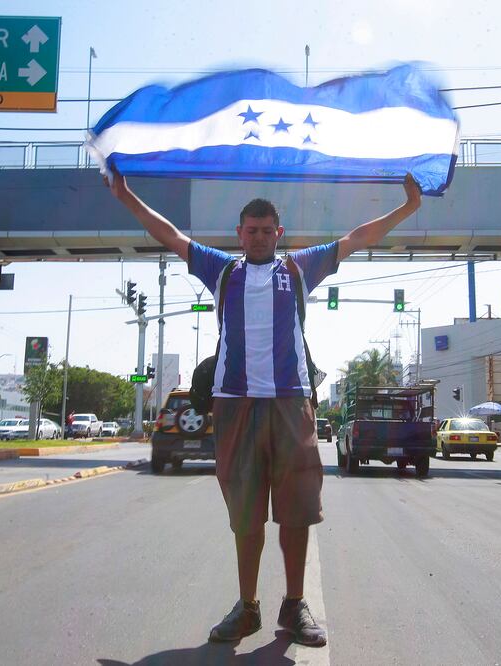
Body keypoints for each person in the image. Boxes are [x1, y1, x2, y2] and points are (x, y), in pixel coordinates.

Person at [106, 171, 422, 647]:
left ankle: (294, 606)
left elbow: (357, 238)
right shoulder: (222, 271)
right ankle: (247, 606)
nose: (257, 237)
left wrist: (407, 209)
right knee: (246, 513)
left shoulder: (298, 268)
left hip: (291, 403)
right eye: (249, 231)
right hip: (234, 406)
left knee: (296, 510)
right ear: (239, 235)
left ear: (279, 234)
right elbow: (168, 234)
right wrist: (126, 195)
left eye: (265, 230)